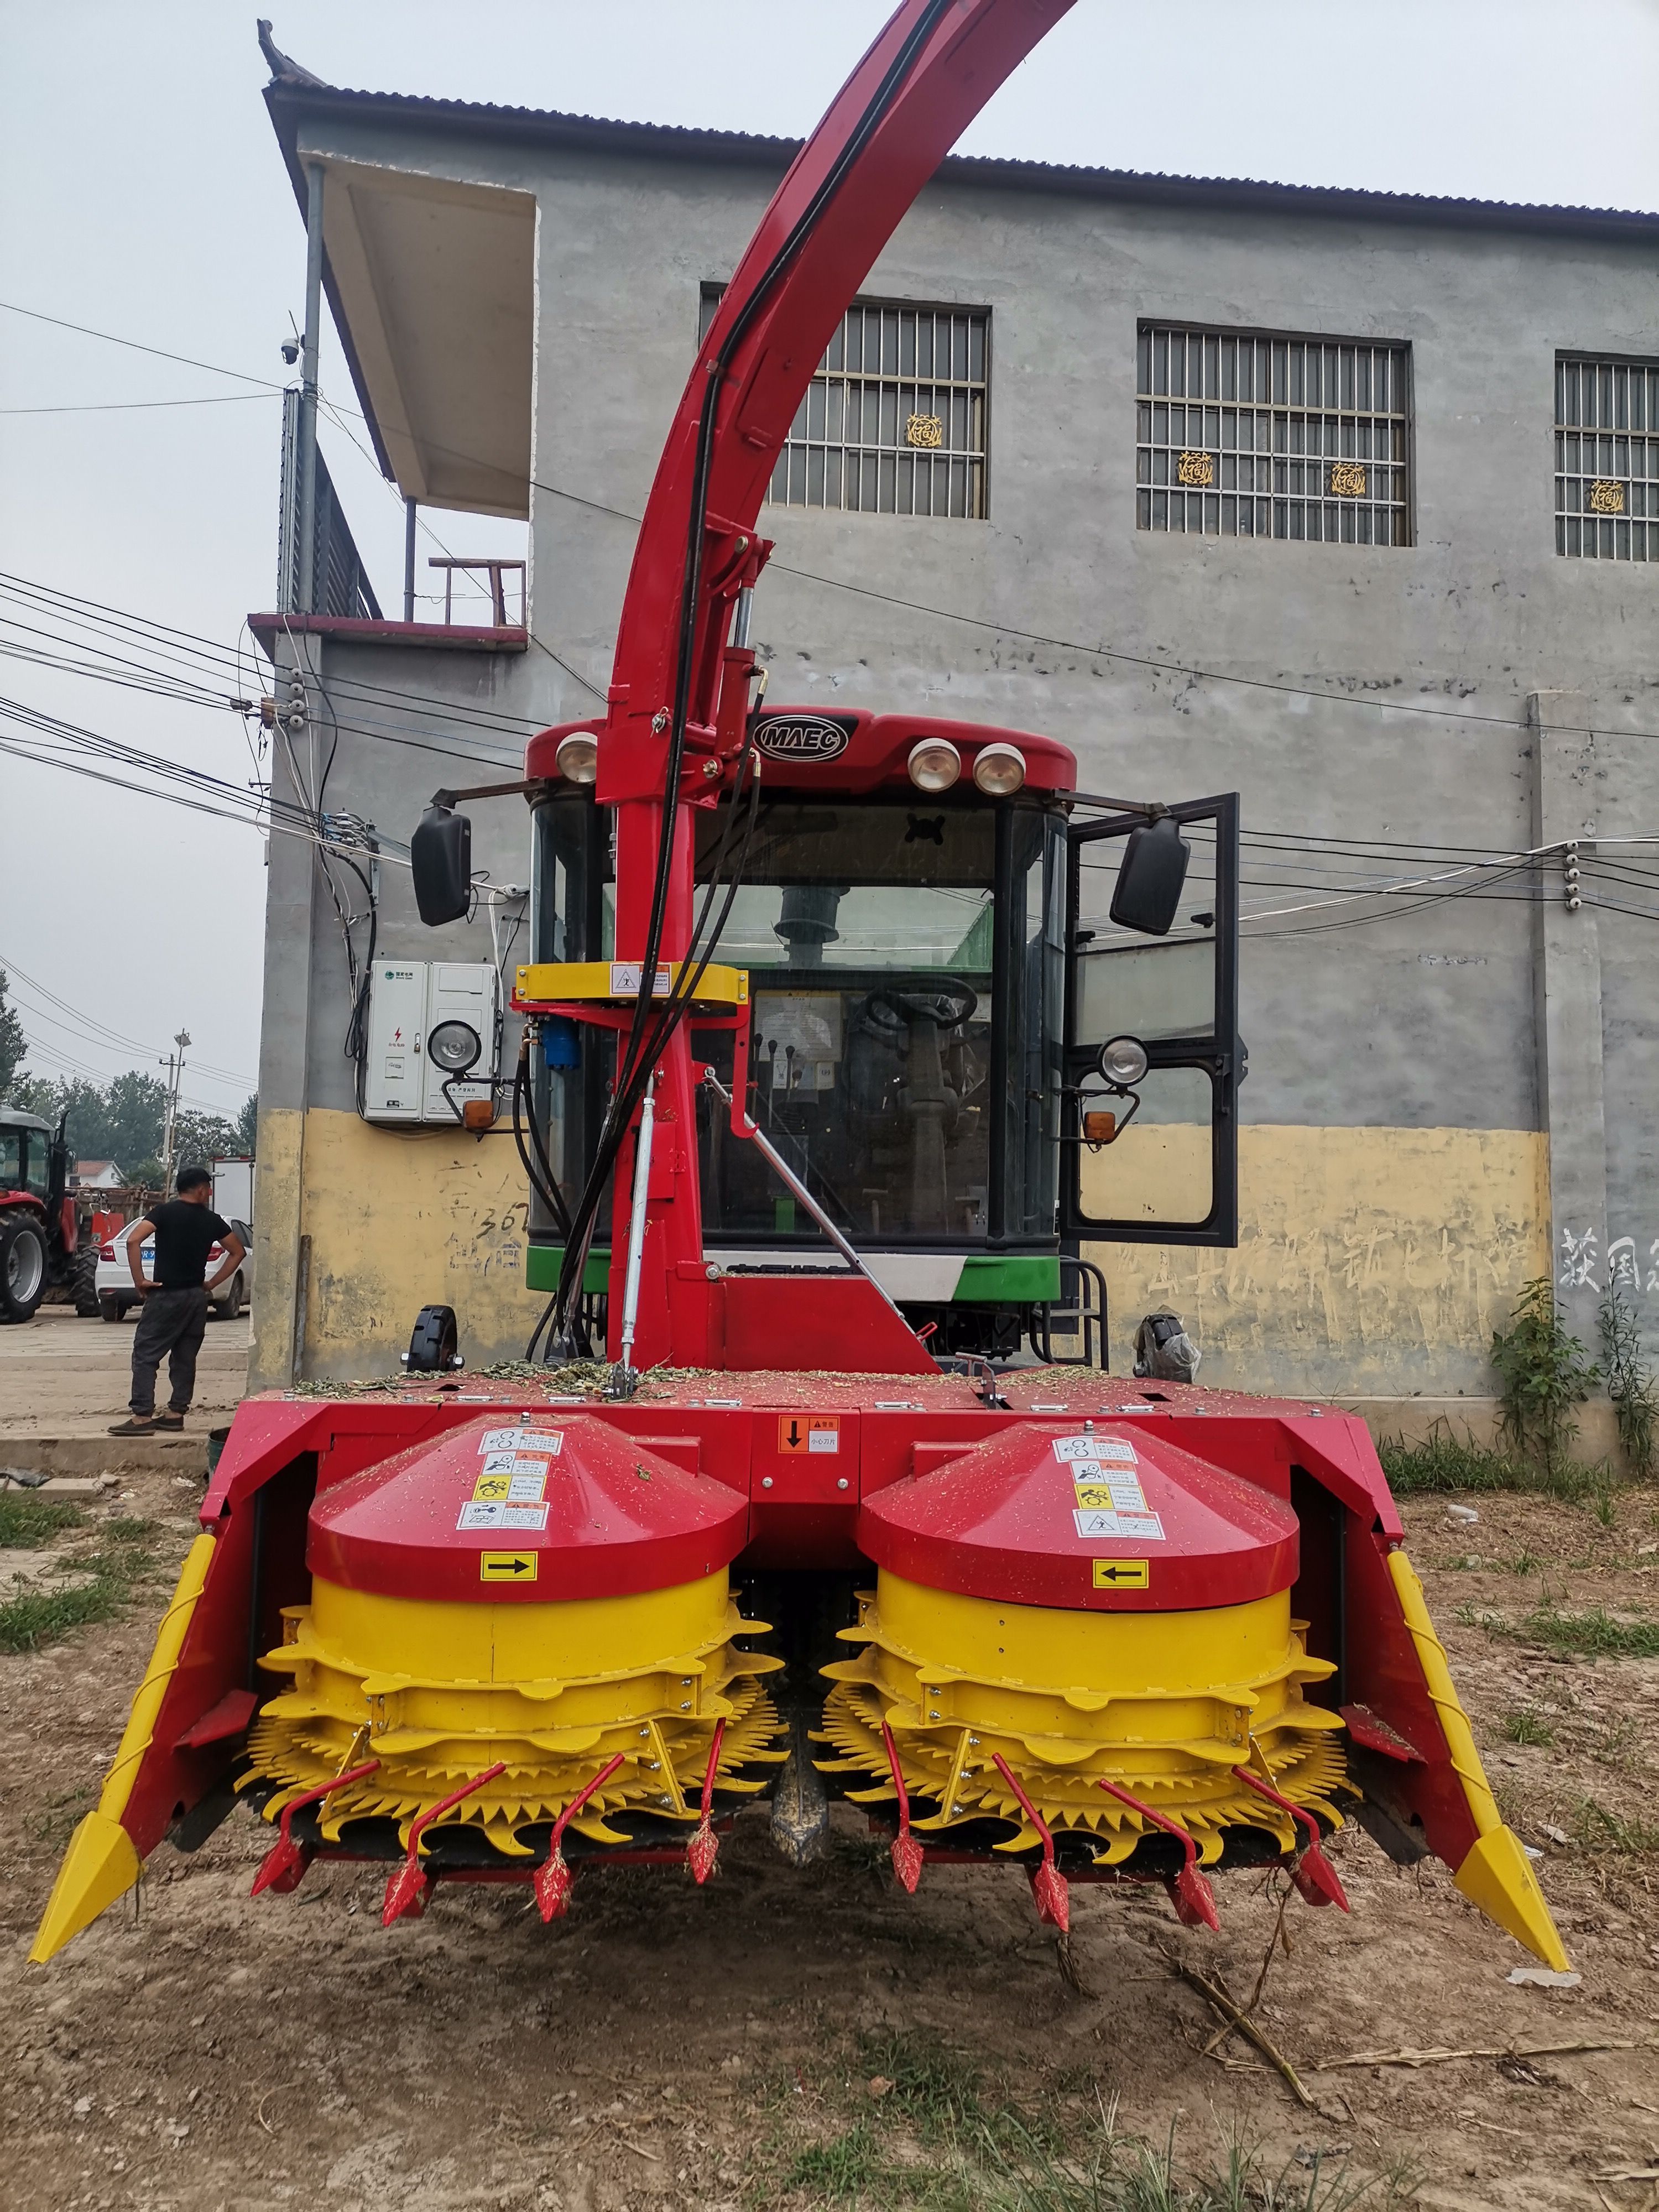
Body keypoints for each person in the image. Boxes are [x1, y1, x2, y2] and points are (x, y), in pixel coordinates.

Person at [107, 1167, 246, 1436]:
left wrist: (140, 1280)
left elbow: (134, 1240)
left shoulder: (164, 1213)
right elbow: (237, 1252)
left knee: (146, 1355)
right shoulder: (212, 1220)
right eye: (208, 1186)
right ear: (199, 1189)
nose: (210, 1191)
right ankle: (175, 1414)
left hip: (166, 1295)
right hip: (195, 1297)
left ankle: (142, 1418)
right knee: (185, 1357)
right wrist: (212, 1284)